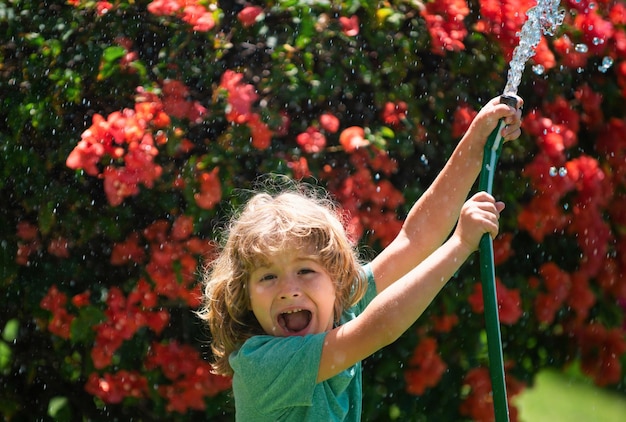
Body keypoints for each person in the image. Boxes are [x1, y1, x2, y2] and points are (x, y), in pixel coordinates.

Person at [196, 95, 523, 421]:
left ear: (336, 281)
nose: (288, 289)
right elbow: (378, 328)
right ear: (245, 295)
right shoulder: (263, 365)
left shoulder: (341, 307)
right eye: (268, 277)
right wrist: (461, 245)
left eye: (306, 270)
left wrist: (477, 140)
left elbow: (414, 240)